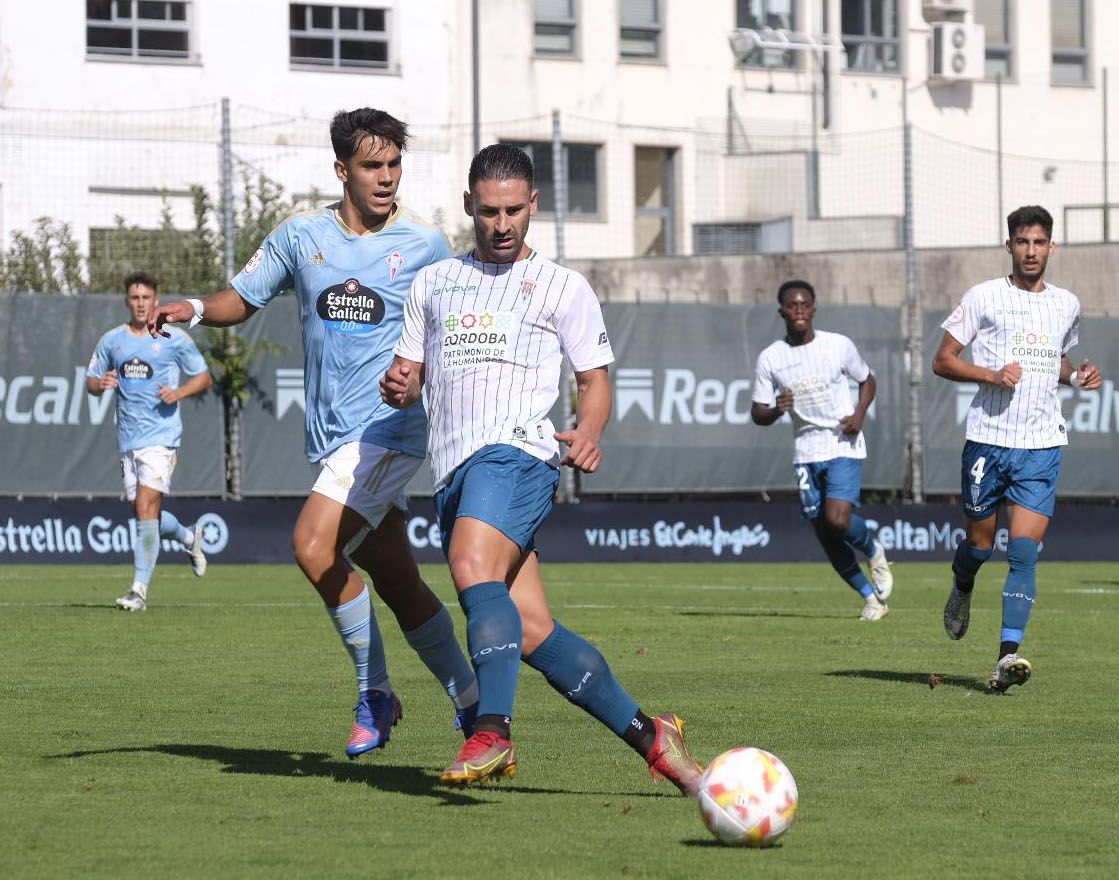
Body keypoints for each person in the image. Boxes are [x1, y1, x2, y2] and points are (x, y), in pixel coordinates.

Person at [149, 108, 477, 758]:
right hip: (333, 445)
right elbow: (242, 298)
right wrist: (191, 308)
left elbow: (451, 335)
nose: (386, 178)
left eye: (393, 165)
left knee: (311, 546)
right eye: (371, 165)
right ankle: (476, 705)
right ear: (342, 170)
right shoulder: (302, 237)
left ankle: (375, 692)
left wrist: (418, 378)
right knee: (399, 583)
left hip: (389, 434)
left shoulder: (425, 245)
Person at [381, 143, 702, 794]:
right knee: (528, 628)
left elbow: (595, 380)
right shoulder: (433, 283)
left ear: (534, 206)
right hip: (454, 471)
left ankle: (492, 730)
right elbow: (411, 375)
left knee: (472, 566)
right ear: (471, 205)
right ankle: (653, 737)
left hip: (520, 453)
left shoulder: (563, 287)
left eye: (515, 211)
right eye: (490, 212)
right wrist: (400, 386)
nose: (503, 225)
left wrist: (588, 428)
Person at [931, 205, 1102, 693]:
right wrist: (991, 374)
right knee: (980, 547)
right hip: (988, 440)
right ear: (1009, 245)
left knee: (1024, 552)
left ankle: (1007, 657)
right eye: (1022, 242)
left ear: (1053, 246)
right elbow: (942, 361)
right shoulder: (983, 296)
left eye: (1039, 242)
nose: (1031, 251)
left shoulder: (1067, 303)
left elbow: (1058, 360)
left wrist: (1078, 376)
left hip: (1042, 444)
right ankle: (961, 587)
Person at [749, 281, 894, 620]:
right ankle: (871, 600)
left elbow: (867, 379)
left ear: (813, 309)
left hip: (842, 442)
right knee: (825, 533)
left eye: (804, 305)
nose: (798, 310)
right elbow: (758, 413)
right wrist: (776, 409)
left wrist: (859, 415)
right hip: (805, 451)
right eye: (791, 305)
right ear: (781, 311)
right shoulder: (771, 357)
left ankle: (874, 551)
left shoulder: (837, 345)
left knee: (837, 519)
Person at [87, 270, 212, 612]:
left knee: (144, 508)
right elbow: (91, 381)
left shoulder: (173, 338)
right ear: (128, 301)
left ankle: (138, 591)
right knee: (145, 515)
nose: (141, 303)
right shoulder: (113, 340)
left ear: (156, 300)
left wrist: (179, 392)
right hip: (128, 439)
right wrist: (102, 383)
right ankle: (188, 537)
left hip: (161, 438)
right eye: (135, 298)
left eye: (146, 297)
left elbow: (204, 377)